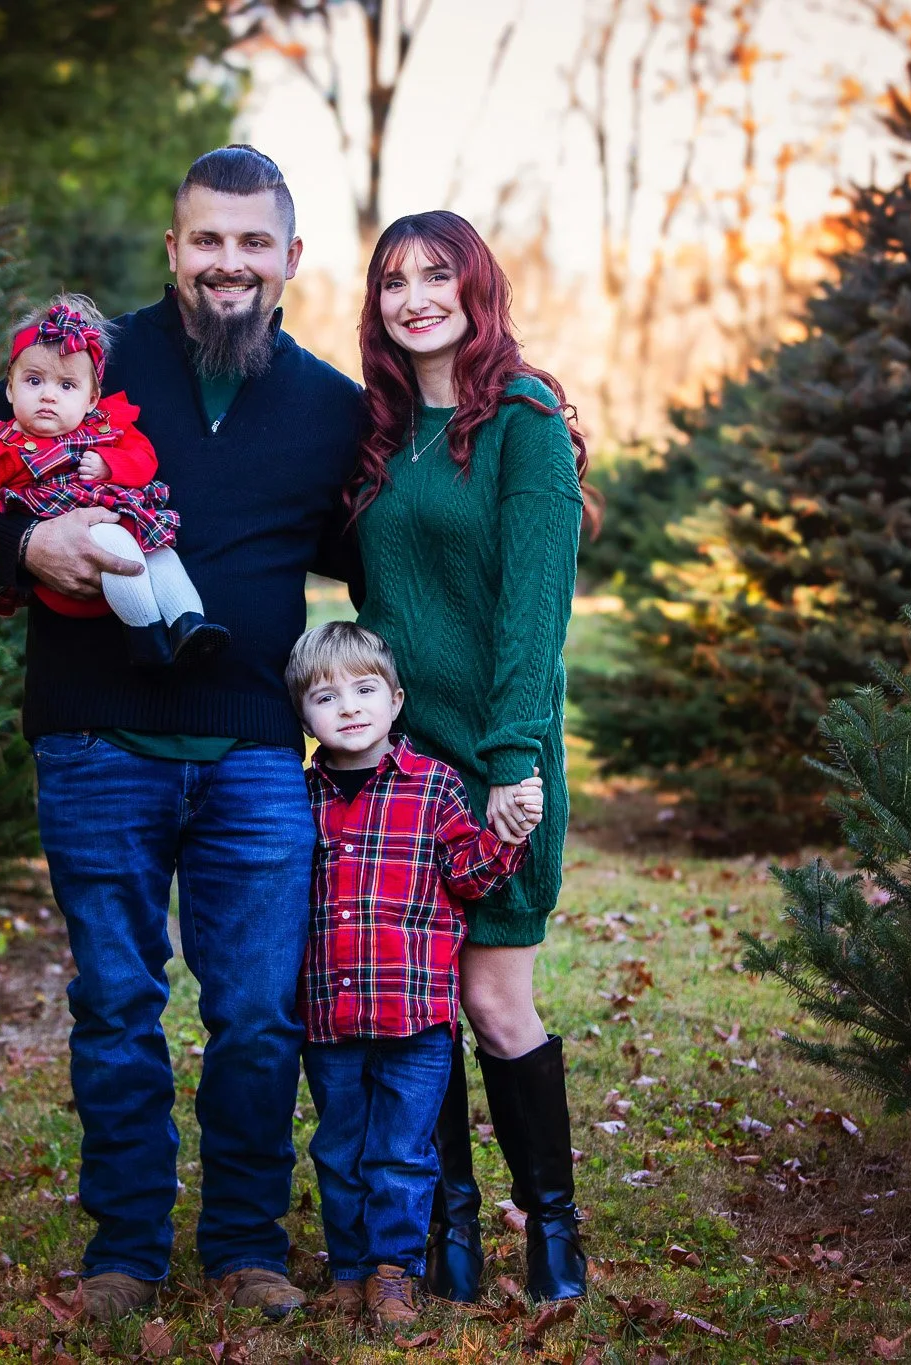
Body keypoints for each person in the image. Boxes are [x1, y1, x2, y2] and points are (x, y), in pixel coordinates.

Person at [0, 146, 366, 1323]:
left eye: (251, 242)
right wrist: (25, 547)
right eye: (205, 240)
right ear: (172, 249)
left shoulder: (328, 408)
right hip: (94, 740)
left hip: (256, 753)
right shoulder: (83, 358)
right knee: (115, 1002)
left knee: (258, 1014)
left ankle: (247, 1246)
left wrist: (528, 461)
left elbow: (393, 543)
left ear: (288, 259)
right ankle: (124, 1249)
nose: (228, 263)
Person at [348, 210, 596, 1303]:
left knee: (495, 1002)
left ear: (473, 288)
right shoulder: (381, 435)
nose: (413, 297)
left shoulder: (524, 422)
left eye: (434, 275)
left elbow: (533, 614)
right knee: (416, 1006)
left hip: (495, 764)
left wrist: (511, 763)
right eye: (393, 280)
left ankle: (552, 1232)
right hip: (400, 774)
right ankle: (445, 1233)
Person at [285, 622, 542, 1325]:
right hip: (329, 1016)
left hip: (415, 1018)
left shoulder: (433, 789)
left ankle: (394, 1271)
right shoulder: (295, 798)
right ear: (302, 714)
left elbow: (468, 874)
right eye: (325, 696)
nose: (348, 707)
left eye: (365, 689)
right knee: (339, 1148)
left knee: (401, 1151)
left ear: (396, 701)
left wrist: (509, 834)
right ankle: (347, 1268)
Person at [0, 293, 228, 667]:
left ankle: (188, 623)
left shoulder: (107, 428)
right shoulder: (0, 447)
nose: (48, 395)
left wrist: (110, 466)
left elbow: (144, 461)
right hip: (68, 578)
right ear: (10, 388)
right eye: (33, 381)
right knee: (114, 540)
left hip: (130, 537)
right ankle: (146, 639)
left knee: (160, 551)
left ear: (92, 398)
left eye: (66, 386)